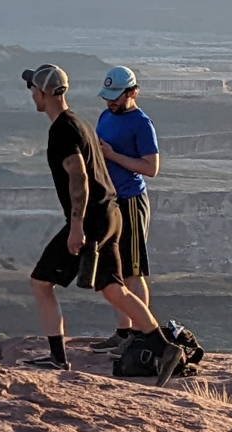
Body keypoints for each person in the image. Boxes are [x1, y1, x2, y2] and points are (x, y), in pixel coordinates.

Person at [20, 64, 191, 378]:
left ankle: (58, 358)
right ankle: (165, 348)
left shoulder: (62, 130)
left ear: (43, 93)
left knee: (41, 282)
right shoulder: (82, 122)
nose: (31, 94)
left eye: (33, 89)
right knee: (113, 288)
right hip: (108, 214)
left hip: (91, 221)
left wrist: (76, 227)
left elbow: (80, 179)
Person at [89, 65, 161, 350]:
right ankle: (123, 332)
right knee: (114, 271)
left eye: (116, 96)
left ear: (133, 92)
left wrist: (113, 155)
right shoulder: (106, 116)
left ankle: (143, 334)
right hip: (109, 201)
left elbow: (151, 167)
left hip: (130, 201)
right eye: (108, 96)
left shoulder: (141, 123)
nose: (111, 101)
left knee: (133, 271)